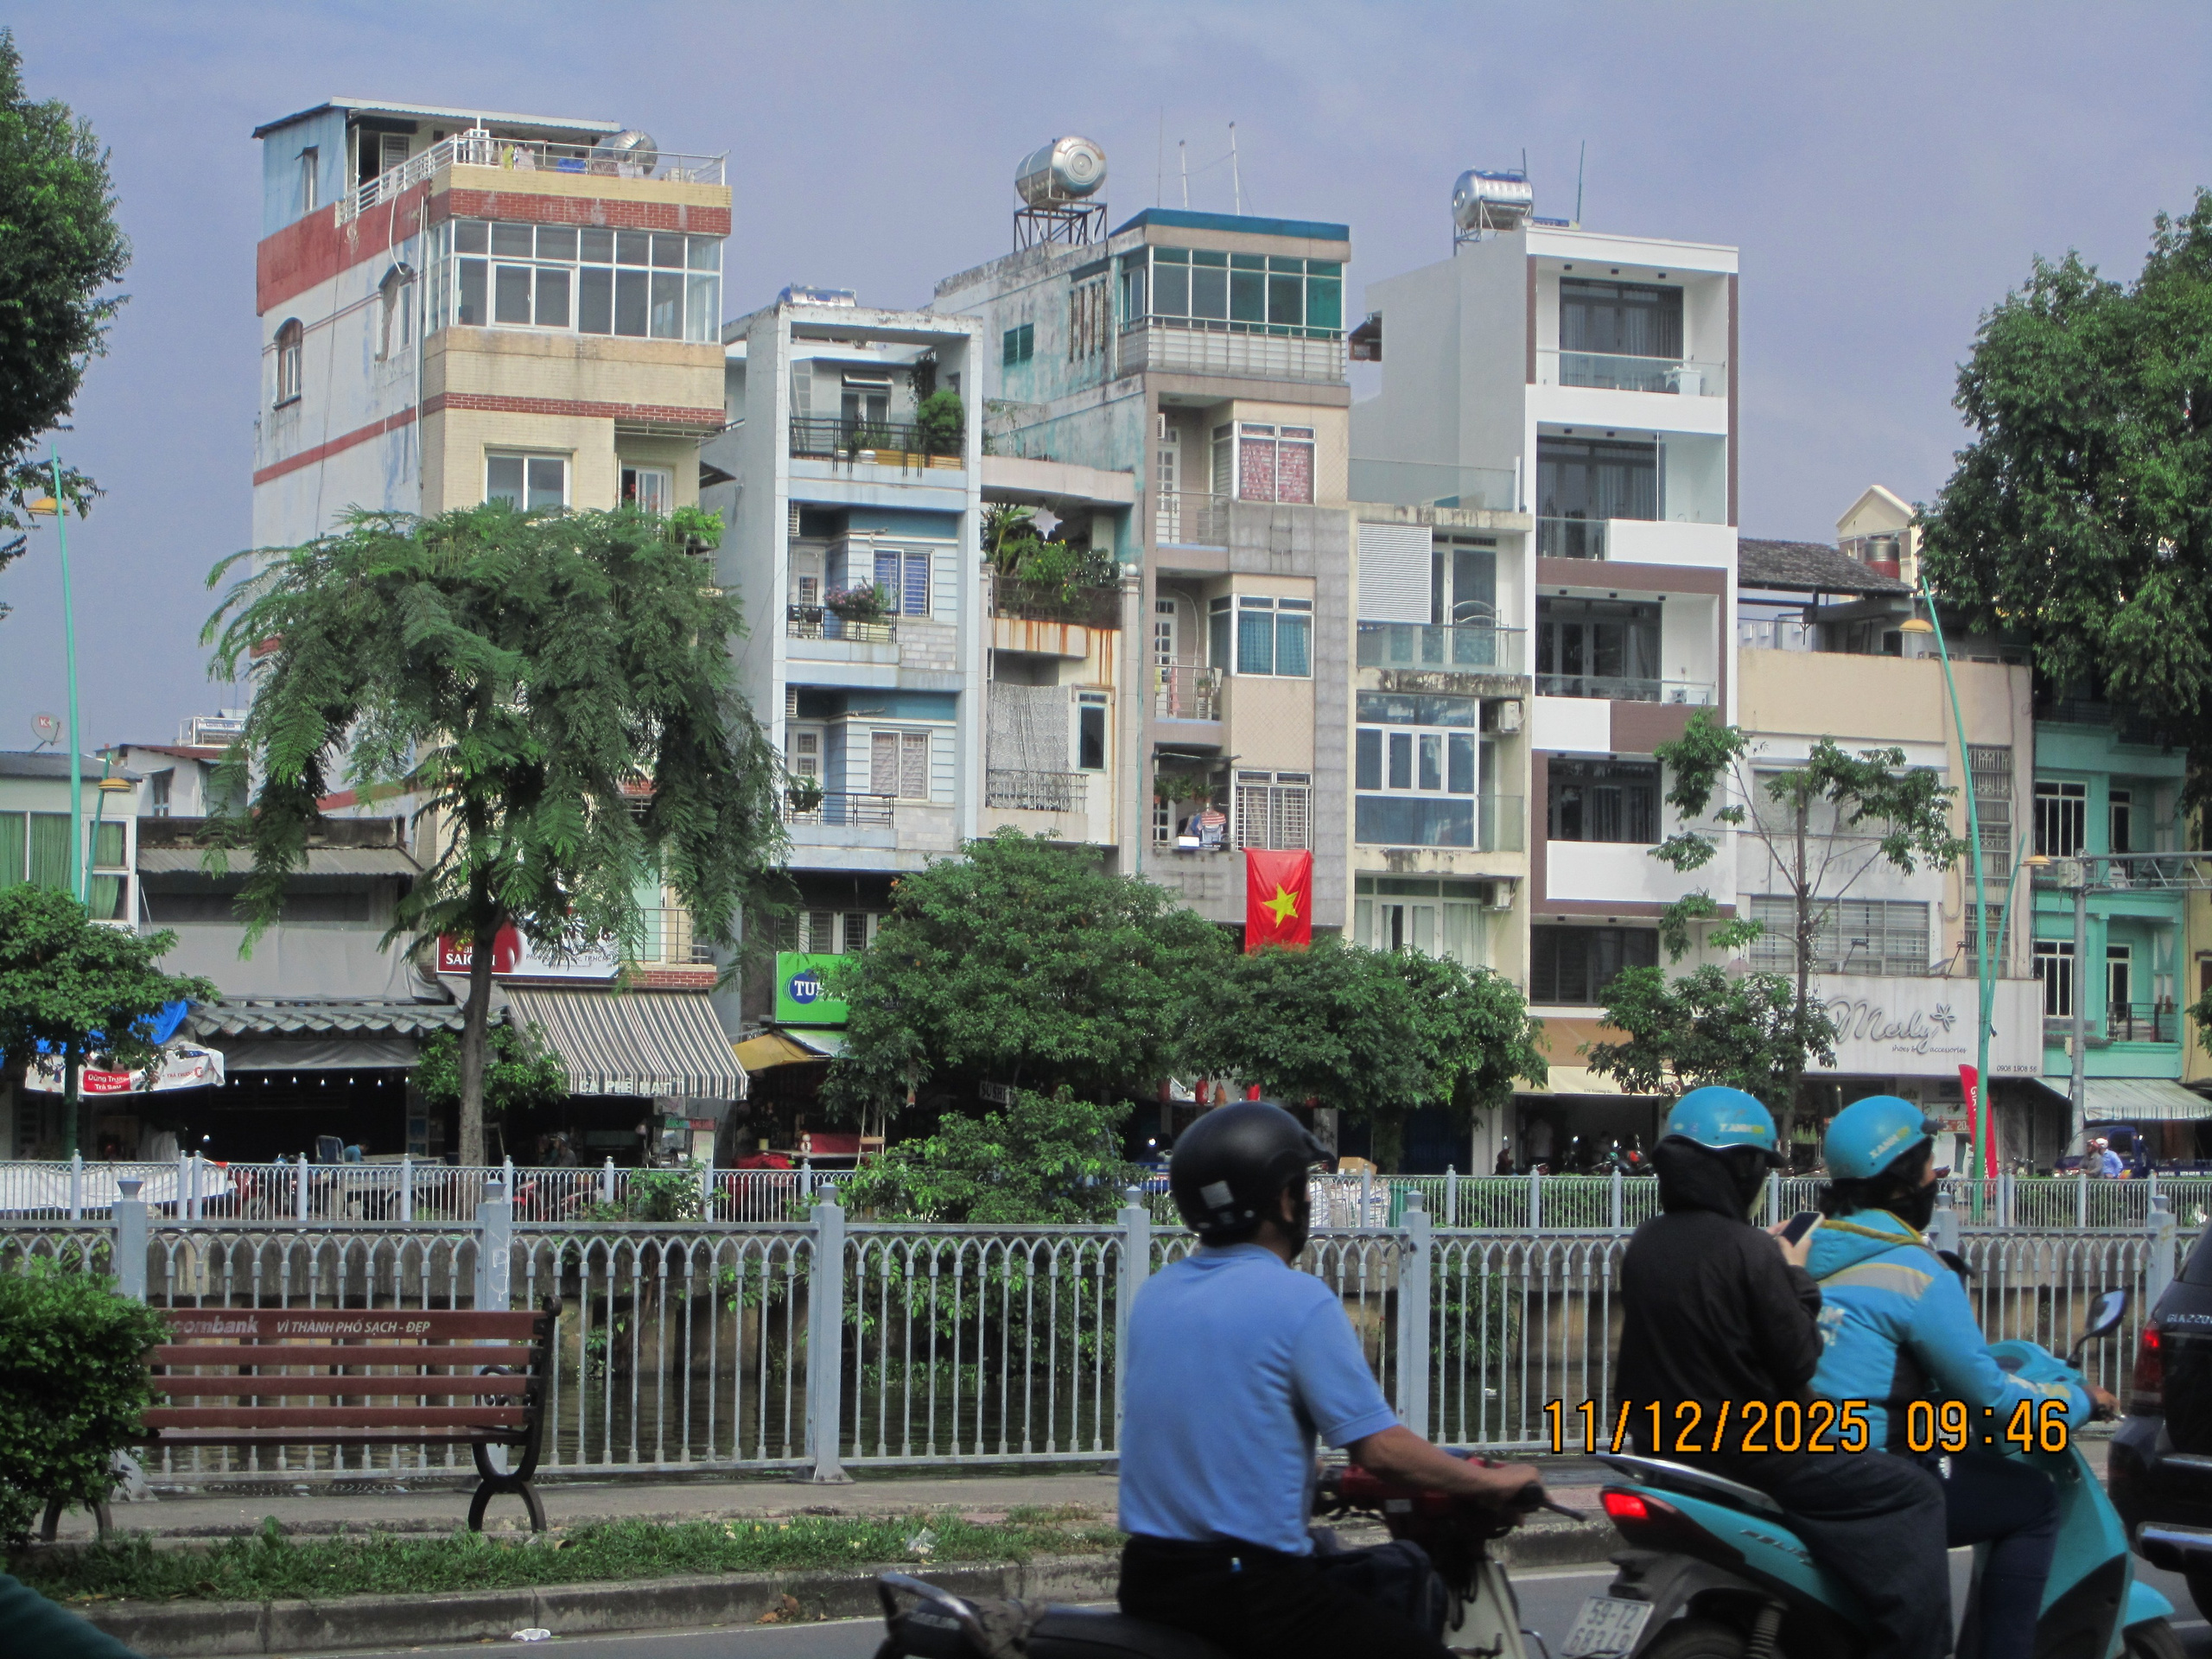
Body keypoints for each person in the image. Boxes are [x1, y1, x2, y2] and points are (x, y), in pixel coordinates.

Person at [1117, 1101, 1541, 1659]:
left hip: (1150, 1580)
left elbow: (1212, 1423)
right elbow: (1381, 1449)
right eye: (1302, 1188)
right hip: (1251, 1589)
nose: (1307, 1203)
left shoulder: (1157, 1294)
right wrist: (1493, 1484)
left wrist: (1311, 1473)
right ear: (1282, 1200)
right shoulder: (1300, 1301)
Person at [1614, 1087, 1950, 1659]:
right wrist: (1793, 1273)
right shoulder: (1749, 1248)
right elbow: (1799, 1358)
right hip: (1756, 1453)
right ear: (1742, 1171)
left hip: (1666, 1447)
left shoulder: (1645, 1243)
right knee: (1915, 1493)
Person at [1808, 1096, 2108, 1659]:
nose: (1935, 1181)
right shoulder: (1915, 1271)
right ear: (1900, 1182)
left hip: (1797, 1454)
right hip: (1879, 1470)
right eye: (1928, 1168)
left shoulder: (1810, 1252)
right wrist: (2080, 1400)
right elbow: (1992, 1396)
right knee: (2033, 1501)